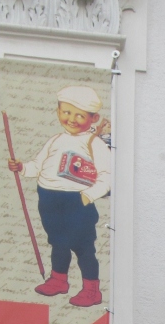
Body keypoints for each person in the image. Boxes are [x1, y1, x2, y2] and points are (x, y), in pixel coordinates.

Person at [7, 84, 111, 308]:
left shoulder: (95, 144)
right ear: (58, 111)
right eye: (66, 112)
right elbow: (38, 165)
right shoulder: (55, 140)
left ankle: (91, 290)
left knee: (83, 247)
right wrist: (22, 168)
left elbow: (106, 176)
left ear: (93, 118)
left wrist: (88, 196)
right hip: (48, 199)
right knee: (58, 242)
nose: (71, 119)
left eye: (79, 115)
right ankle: (58, 280)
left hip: (77, 201)